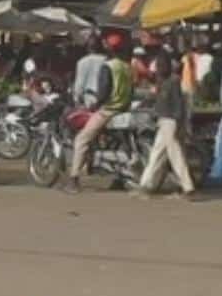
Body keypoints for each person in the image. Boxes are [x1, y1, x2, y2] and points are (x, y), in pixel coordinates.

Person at [63, 31, 132, 194]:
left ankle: (74, 179)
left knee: (81, 140)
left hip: (108, 110)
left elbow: (104, 92)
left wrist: (94, 106)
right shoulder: (126, 66)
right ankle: (118, 177)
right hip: (124, 109)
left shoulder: (108, 67)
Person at [132, 55, 196, 200]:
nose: (160, 69)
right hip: (164, 120)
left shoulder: (173, 81)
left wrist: (179, 123)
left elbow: (178, 104)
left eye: (162, 66)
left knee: (175, 154)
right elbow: (156, 98)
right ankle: (147, 184)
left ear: (168, 66)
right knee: (157, 154)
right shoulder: (163, 81)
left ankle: (188, 186)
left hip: (170, 121)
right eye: (159, 66)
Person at [72, 35, 107, 108]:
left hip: (88, 98)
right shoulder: (106, 60)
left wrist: (76, 99)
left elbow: (79, 83)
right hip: (104, 98)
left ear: (87, 47)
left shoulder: (82, 62)